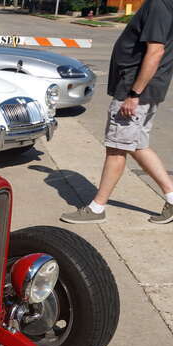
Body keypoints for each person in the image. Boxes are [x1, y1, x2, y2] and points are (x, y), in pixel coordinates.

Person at [61, 0, 173, 225]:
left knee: (116, 148)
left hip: (136, 91)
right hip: (148, 89)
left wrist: (134, 93)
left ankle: (97, 208)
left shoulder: (159, 4)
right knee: (138, 145)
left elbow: (155, 51)